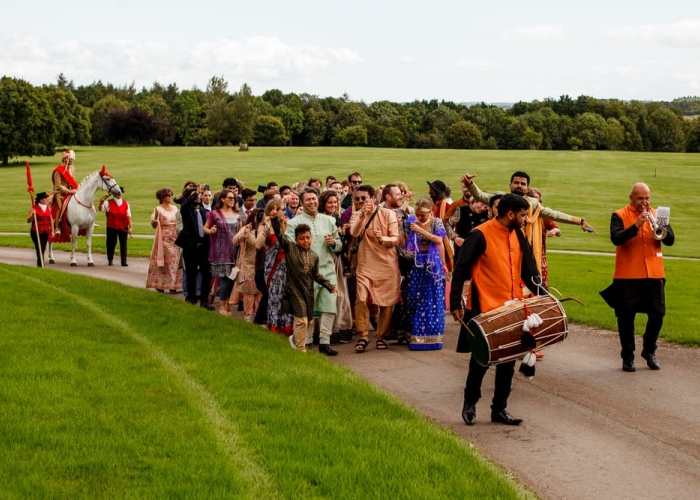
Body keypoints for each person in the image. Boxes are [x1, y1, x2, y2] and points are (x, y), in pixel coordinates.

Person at [450, 194, 544, 426]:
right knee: (481, 360)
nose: (526, 219)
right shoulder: (480, 234)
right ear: (511, 214)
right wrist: (455, 303)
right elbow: (460, 268)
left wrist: (544, 297)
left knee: (508, 360)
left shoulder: (519, 235)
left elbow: (528, 271)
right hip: (485, 308)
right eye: (523, 215)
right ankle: (470, 404)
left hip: (512, 307)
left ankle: (499, 409)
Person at [601, 182, 674, 372]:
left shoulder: (658, 214)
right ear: (631, 198)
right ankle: (628, 356)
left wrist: (657, 225)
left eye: (647, 197)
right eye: (640, 198)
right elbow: (616, 238)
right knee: (626, 318)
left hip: (654, 274)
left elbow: (670, 240)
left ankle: (649, 350)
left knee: (658, 314)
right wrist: (636, 225)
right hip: (627, 275)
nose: (645, 202)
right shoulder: (619, 215)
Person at [285, 188, 343, 356]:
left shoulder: (329, 220)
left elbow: (339, 245)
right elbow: (289, 247)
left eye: (314, 199)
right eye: (308, 199)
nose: (312, 202)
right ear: (302, 202)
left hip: (327, 269)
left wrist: (333, 243)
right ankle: (307, 341)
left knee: (329, 306)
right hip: (305, 272)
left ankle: (325, 342)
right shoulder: (294, 223)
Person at [461, 170, 597, 236]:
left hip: (522, 244)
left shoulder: (533, 204)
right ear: (510, 185)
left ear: (527, 188)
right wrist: (469, 183)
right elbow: (479, 195)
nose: (519, 185)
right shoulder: (500, 198)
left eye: (523, 184)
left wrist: (580, 221)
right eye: (516, 183)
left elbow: (554, 215)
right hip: (497, 238)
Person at [272, 217, 337, 353]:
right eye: (302, 238)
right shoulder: (291, 248)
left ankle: (294, 339)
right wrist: (274, 220)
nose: (306, 241)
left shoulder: (314, 256)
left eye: (308, 238)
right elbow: (280, 235)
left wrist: (329, 286)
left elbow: (316, 275)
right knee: (301, 320)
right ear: (296, 240)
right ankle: (301, 350)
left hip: (308, 292)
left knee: (309, 321)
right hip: (293, 290)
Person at [349, 184, 401, 352]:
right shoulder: (357, 214)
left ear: (372, 198)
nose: (360, 201)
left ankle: (381, 336)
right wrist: (362, 215)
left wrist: (382, 239)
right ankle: (363, 336)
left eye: (364, 198)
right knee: (361, 299)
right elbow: (354, 233)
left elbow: (396, 239)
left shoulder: (388, 214)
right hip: (365, 264)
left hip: (387, 264)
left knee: (386, 302)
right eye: (357, 199)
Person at [397, 197, 448, 350]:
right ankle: (408, 331)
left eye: (422, 215)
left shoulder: (436, 222)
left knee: (431, 298)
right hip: (415, 263)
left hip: (432, 265)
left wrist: (444, 264)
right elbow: (402, 240)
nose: (419, 217)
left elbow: (439, 242)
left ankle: (429, 336)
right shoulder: (410, 221)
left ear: (430, 211)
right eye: (417, 214)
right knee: (412, 295)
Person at [203, 188, 243, 315]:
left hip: (234, 250)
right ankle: (223, 306)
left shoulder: (237, 215)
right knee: (225, 278)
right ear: (222, 199)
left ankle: (227, 304)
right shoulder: (215, 214)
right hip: (221, 250)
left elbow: (240, 232)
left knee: (231, 278)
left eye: (233, 198)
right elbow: (205, 227)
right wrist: (211, 231)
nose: (232, 200)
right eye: (229, 198)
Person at [175, 188, 213, 309]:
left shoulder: (203, 211)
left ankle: (204, 300)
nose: (197, 197)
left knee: (206, 274)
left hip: (203, 247)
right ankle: (191, 298)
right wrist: (194, 193)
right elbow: (184, 205)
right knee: (191, 273)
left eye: (198, 195)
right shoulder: (186, 211)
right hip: (191, 247)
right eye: (194, 196)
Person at [261, 199, 294, 335]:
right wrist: (268, 225)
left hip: (287, 266)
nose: (284, 211)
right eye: (282, 209)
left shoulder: (288, 224)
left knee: (287, 298)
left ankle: (287, 328)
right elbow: (258, 245)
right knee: (275, 298)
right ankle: (274, 327)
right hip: (273, 268)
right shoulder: (264, 226)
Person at [146, 188, 183, 293]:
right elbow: (153, 225)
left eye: (171, 195)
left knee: (175, 261)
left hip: (175, 237)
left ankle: (173, 285)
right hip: (164, 239)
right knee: (166, 262)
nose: (170, 197)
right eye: (168, 195)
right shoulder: (158, 209)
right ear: (162, 197)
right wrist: (155, 218)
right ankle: (162, 284)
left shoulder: (175, 208)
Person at [99, 187, 132, 267]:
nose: (119, 194)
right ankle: (110, 259)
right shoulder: (108, 203)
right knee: (111, 243)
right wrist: (100, 203)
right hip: (112, 226)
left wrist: (130, 227)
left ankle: (123, 261)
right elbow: (101, 209)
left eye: (121, 193)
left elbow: (128, 215)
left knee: (123, 244)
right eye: (118, 193)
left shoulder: (126, 203)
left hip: (123, 226)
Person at [51, 150, 78, 235]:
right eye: (70, 159)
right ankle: (57, 227)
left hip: (70, 191)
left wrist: (76, 189)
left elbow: (72, 180)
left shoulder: (72, 168)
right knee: (60, 206)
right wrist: (69, 191)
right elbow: (58, 185)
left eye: (72, 160)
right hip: (59, 192)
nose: (71, 161)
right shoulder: (58, 170)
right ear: (64, 159)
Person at [27, 191, 53, 267]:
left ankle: (40, 264)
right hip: (36, 232)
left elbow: (50, 219)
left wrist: (52, 231)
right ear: (41, 200)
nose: (47, 199)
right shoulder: (34, 208)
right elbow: (28, 220)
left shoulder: (48, 207)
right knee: (40, 248)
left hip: (45, 231)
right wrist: (32, 215)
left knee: (43, 248)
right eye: (45, 198)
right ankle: (41, 265)